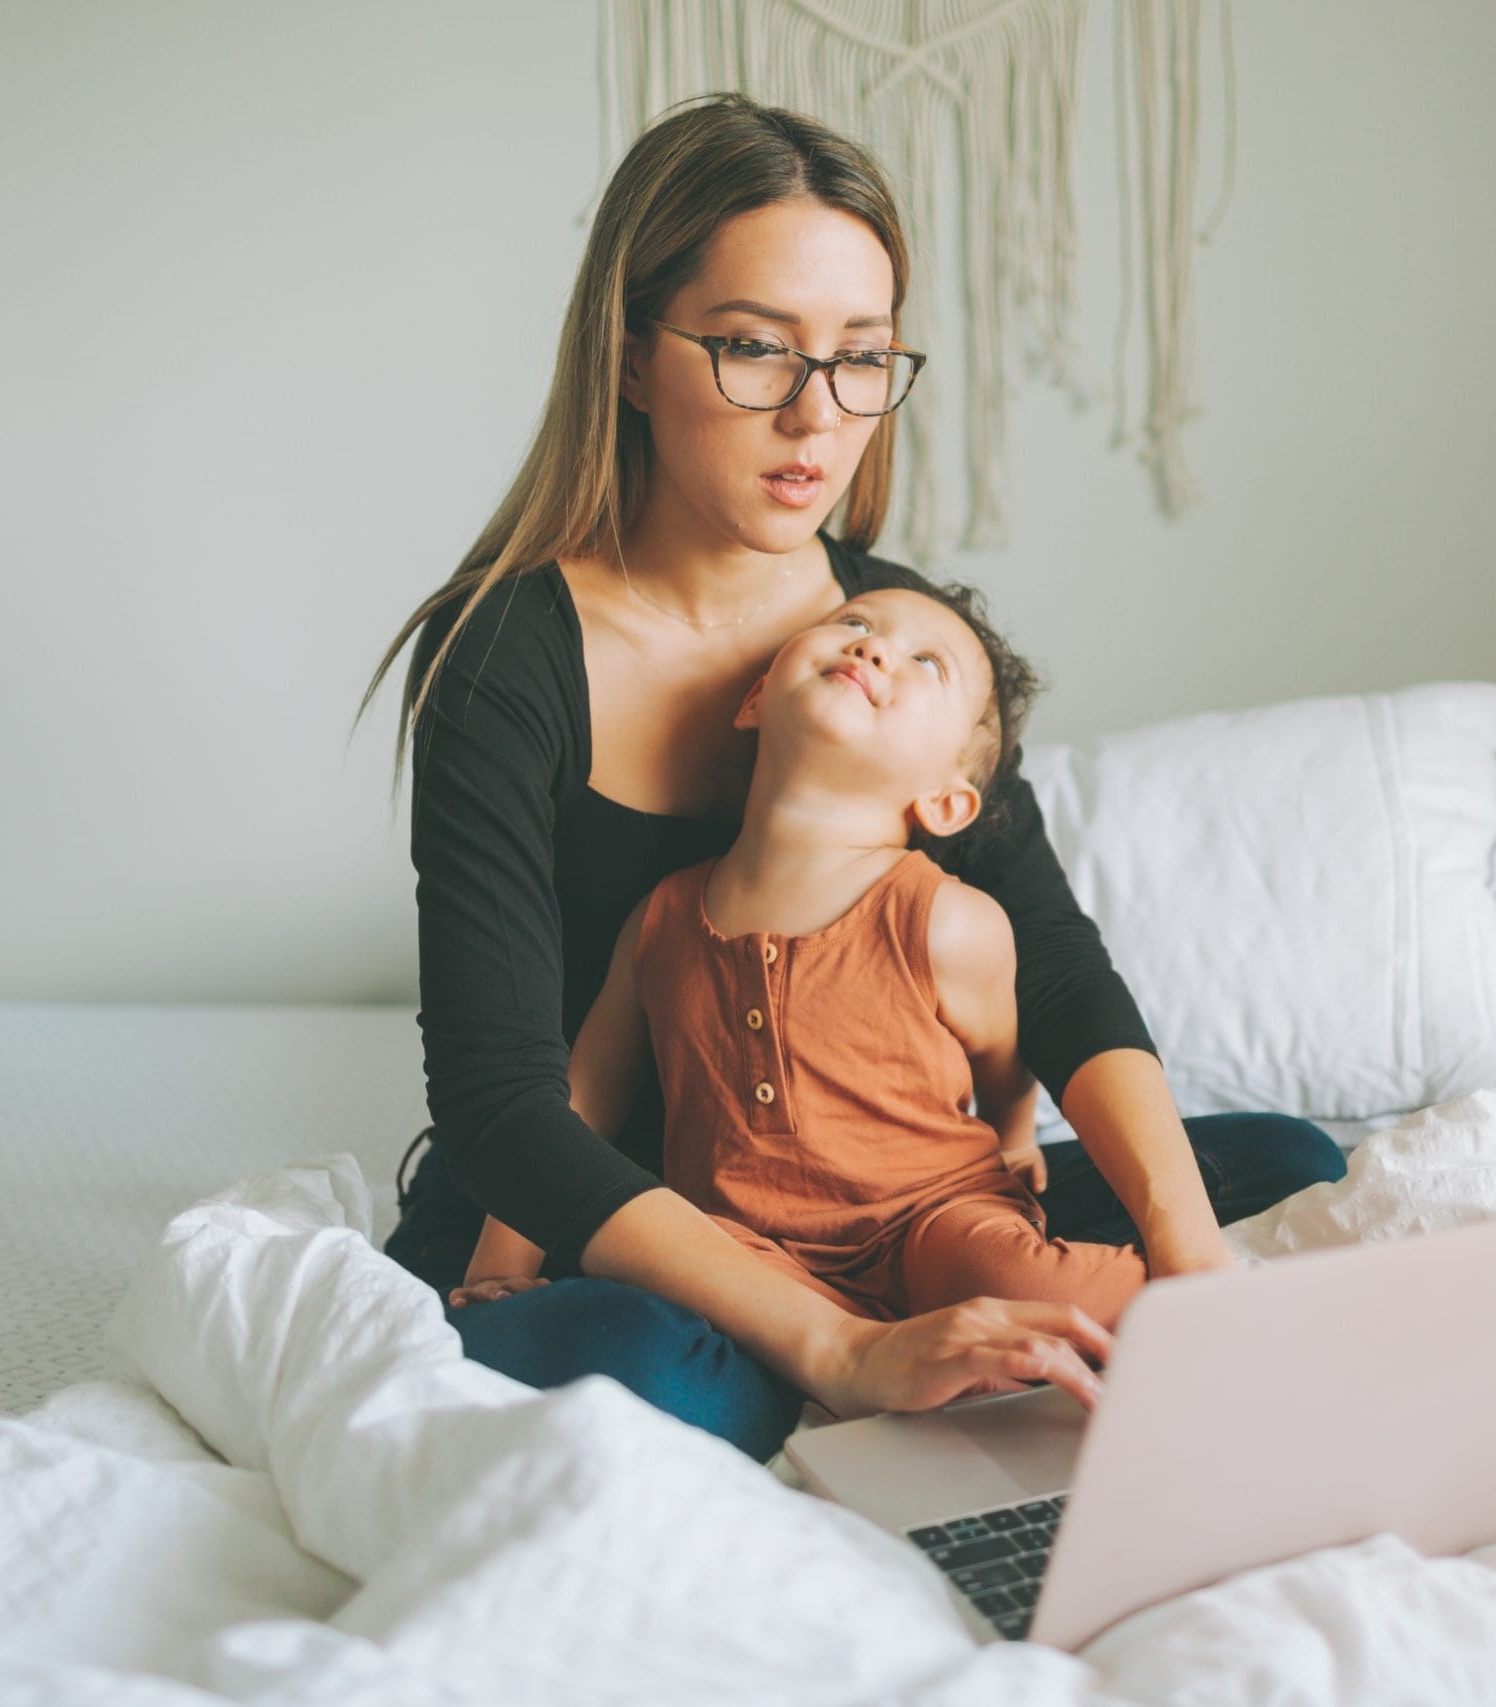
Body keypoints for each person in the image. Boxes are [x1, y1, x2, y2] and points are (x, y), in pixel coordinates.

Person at [364, 91, 1345, 1463]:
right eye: (755, 349)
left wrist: (1190, 1258)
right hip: (605, 1209)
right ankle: (837, 1358)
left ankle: (959, 1341)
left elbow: (1056, 973)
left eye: (864, 356)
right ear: (633, 356)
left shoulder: (895, 636)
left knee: (1282, 1166)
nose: (819, 417)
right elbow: (505, 1103)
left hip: (879, 1196)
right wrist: (839, 1343)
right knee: (672, 1375)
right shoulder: (503, 657)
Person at [447, 582, 1148, 1334]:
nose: (873, 647)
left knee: (1008, 1276)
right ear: (755, 699)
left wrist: (1014, 1141)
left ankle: (1202, 1297)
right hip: (745, 1247)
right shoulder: (655, 922)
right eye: (853, 621)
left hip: (933, 1217)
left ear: (946, 802)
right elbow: (579, 1102)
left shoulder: (948, 919)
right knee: (635, 1299)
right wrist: (504, 1264)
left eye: (926, 664)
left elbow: (1003, 1058)